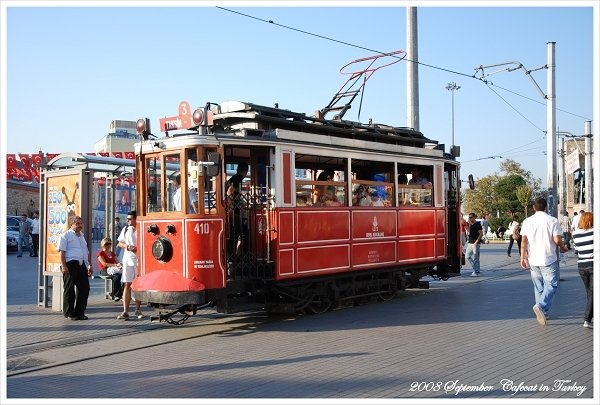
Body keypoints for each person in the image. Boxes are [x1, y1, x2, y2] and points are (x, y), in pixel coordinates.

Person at [520, 197, 568, 326]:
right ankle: (541, 306)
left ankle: (543, 312)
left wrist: (522, 257)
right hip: (548, 258)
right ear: (546, 207)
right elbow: (557, 240)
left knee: (539, 286)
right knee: (552, 285)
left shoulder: (527, 221)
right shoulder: (552, 220)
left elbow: (524, 241)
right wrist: (563, 248)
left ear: (534, 208)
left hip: (533, 259)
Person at [58, 215, 92, 320]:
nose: (80, 225)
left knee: (85, 288)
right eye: (77, 223)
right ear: (71, 224)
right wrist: (64, 266)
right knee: (69, 289)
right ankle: (69, 313)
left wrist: (89, 265)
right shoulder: (65, 236)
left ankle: (80, 312)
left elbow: (85, 252)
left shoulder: (82, 236)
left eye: (81, 223)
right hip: (70, 264)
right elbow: (62, 253)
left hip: (81, 265)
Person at [116, 210, 143, 320]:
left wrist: (137, 248)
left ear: (136, 219)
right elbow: (119, 243)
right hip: (127, 260)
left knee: (138, 285)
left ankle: (138, 309)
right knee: (127, 284)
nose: (128, 221)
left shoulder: (141, 228)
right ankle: (125, 311)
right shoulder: (126, 229)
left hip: (139, 260)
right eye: (127, 219)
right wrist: (127, 247)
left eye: (130, 219)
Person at [572, 212, 593, 329]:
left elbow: (576, 250)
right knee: (592, 293)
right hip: (592, 265)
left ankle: (590, 316)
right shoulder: (594, 231)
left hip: (581, 266)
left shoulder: (576, 234)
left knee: (589, 292)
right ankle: (587, 319)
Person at [225, 162, 249, 257]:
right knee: (240, 234)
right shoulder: (238, 178)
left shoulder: (233, 178)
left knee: (236, 234)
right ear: (244, 171)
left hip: (233, 210)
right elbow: (230, 191)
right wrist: (232, 206)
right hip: (234, 211)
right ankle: (235, 255)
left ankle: (234, 254)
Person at [97, 237, 122, 302]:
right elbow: (104, 264)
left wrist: (121, 265)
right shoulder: (101, 253)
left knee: (121, 276)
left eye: (109, 244)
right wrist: (115, 265)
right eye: (106, 244)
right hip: (104, 270)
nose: (108, 245)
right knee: (116, 277)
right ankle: (117, 295)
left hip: (113, 270)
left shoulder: (112, 253)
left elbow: (117, 262)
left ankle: (120, 294)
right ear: (103, 244)